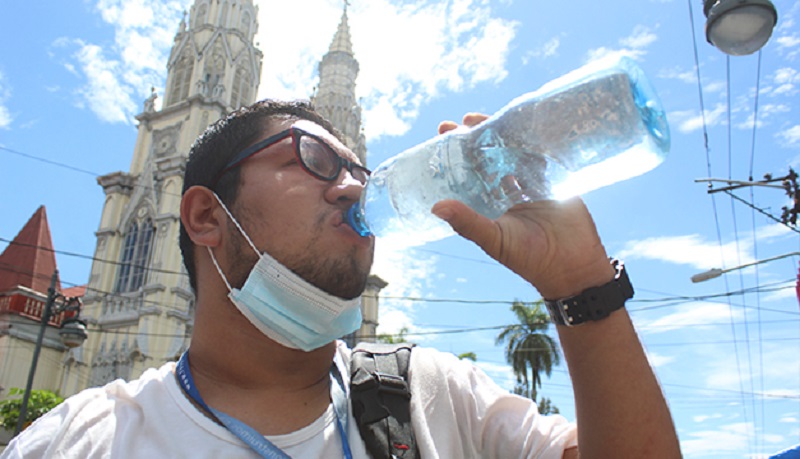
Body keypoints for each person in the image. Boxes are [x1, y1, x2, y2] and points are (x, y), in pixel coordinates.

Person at [2, 99, 681, 458]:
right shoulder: (84, 438)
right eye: (315, 158)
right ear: (207, 214)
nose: (354, 187)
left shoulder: (431, 398)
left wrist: (582, 283)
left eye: (360, 169)